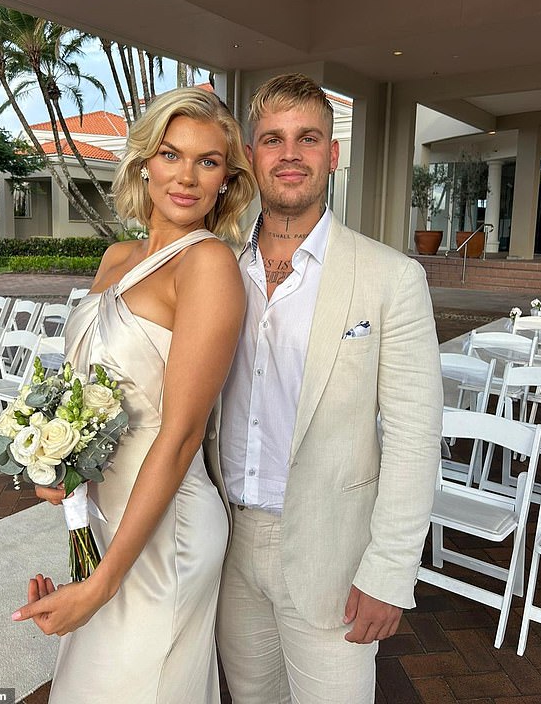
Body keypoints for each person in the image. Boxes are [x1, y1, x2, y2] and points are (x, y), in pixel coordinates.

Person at [11, 87, 255, 703]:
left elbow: (179, 438)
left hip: (165, 529)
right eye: (173, 154)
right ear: (145, 160)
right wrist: (57, 467)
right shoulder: (116, 257)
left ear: (227, 179)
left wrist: (101, 586)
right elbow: (84, 395)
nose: (188, 176)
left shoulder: (209, 267)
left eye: (208, 161)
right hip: (103, 516)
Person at [205, 73, 443, 703]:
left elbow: (416, 438)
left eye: (307, 138)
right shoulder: (217, 271)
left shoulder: (391, 277)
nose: (290, 154)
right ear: (252, 157)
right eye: (272, 140)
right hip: (228, 542)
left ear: (332, 154)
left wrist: (390, 572)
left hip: (333, 552)